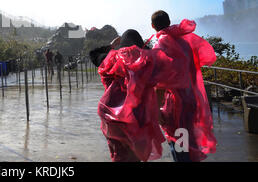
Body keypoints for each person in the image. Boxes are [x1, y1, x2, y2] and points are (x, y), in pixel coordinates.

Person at [90, 29, 186, 162]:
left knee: (119, 153)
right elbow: (164, 82)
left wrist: (111, 45)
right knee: (135, 153)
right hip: (138, 114)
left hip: (110, 113)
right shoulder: (148, 61)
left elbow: (93, 54)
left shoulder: (111, 59)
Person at [150, 10, 217, 162]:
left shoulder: (161, 45)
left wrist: (156, 111)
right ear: (169, 21)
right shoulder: (184, 42)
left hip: (175, 107)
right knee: (188, 141)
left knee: (180, 146)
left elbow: (160, 84)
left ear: (153, 26)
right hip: (190, 100)